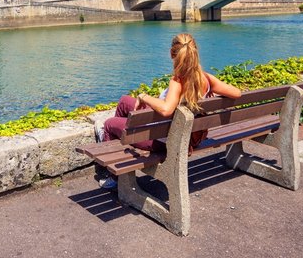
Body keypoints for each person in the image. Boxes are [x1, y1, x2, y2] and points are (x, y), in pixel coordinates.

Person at [97, 33, 242, 189]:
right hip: (184, 134)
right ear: (195, 52)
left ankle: (114, 175)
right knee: (125, 102)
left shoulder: (178, 81)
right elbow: (237, 93)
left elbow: (167, 110)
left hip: (165, 141)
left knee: (109, 124)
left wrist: (144, 96)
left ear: (172, 54)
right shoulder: (206, 79)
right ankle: (116, 159)